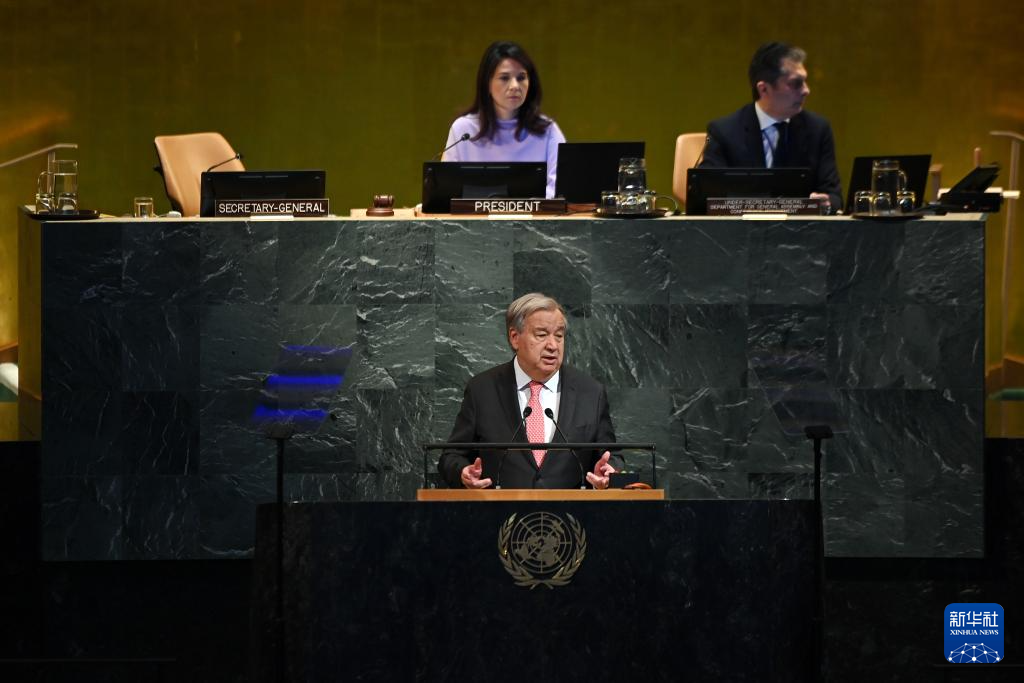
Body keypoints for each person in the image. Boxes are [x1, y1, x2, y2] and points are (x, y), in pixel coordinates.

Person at [438, 293, 618, 490]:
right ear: (515, 338)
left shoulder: (590, 392)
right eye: (541, 335)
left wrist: (608, 471)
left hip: (569, 509)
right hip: (501, 509)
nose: (553, 345)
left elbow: (612, 456)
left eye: (559, 336)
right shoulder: (482, 390)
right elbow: (452, 456)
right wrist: (464, 473)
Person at [698, 42, 843, 212]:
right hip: (742, 226)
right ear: (764, 89)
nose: (806, 90)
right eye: (796, 83)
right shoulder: (724, 132)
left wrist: (825, 203)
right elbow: (705, 196)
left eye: (805, 81)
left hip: (801, 227)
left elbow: (834, 196)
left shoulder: (817, 130)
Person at [442, 41, 566, 198]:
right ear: (487, 83)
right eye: (504, 78)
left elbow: (560, 189)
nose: (515, 86)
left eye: (521, 77)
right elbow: (446, 191)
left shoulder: (548, 131)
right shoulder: (463, 131)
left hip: (537, 214)